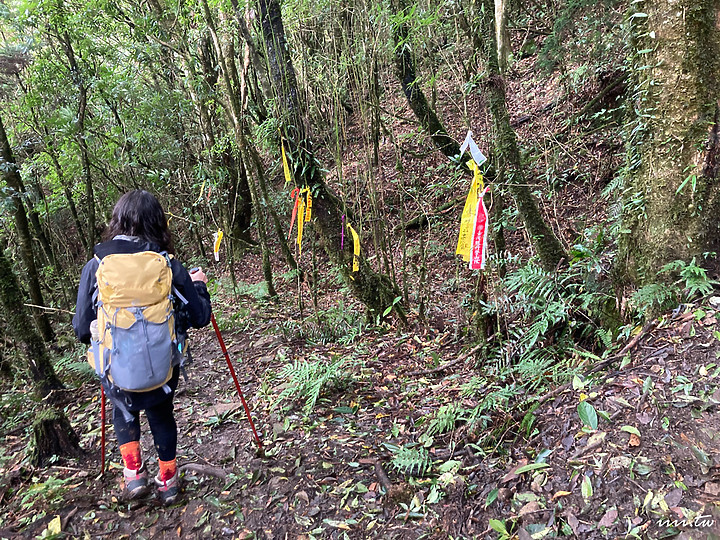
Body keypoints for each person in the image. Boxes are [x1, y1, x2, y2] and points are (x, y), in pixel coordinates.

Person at [73, 190, 211, 505]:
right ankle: (169, 482)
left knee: (123, 411)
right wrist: (199, 283)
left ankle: (134, 477)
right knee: (162, 416)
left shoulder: (96, 267)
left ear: (117, 222)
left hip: (116, 369)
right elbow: (199, 316)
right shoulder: (167, 265)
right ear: (157, 224)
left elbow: (82, 328)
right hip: (162, 367)